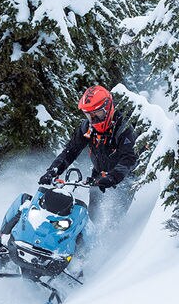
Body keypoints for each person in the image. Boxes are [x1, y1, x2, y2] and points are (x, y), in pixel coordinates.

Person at [40, 85, 138, 225]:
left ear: (107, 108)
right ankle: (87, 242)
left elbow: (129, 158)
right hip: (99, 175)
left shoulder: (124, 128)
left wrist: (113, 178)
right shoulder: (87, 127)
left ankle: (114, 241)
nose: (93, 119)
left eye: (97, 114)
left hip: (123, 179)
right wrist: (53, 171)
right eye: (89, 115)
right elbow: (70, 151)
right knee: (93, 215)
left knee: (114, 217)